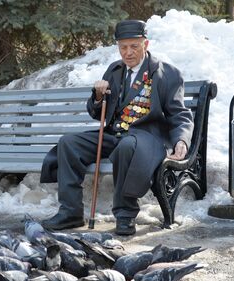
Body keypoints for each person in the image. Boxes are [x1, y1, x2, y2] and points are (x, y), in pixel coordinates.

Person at [40, 19, 193, 235]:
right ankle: (70, 212)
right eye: (123, 47)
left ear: (145, 45)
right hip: (115, 135)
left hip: (146, 139)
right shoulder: (114, 71)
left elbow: (179, 113)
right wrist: (98, 96)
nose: (128, 52)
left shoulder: (166, 73)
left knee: (127, 147)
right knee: (69, 143)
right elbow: (96, 113)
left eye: (134, 46)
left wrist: (181, 140)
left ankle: (125, 215)